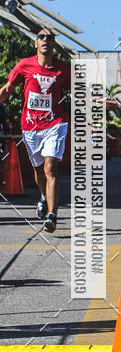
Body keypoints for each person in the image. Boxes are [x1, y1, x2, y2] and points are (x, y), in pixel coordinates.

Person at [0, 29, 70, 233]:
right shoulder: (24, 65)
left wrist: (100, 101)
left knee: (50, 168)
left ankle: (52, 215)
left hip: (55, 124)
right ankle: (43, 197)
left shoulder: (63, 69)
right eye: (41, 37)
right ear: (36, 44)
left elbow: (82, 91)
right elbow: (6, 90)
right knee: (39, 170)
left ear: (54, 45)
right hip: (30, 127)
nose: (45, 40)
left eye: (50, 38)